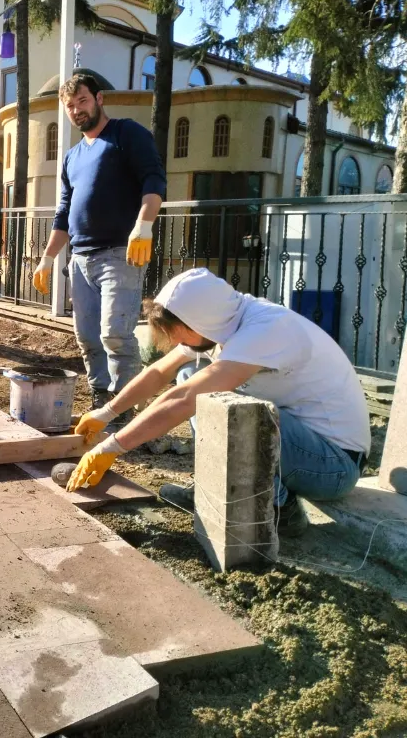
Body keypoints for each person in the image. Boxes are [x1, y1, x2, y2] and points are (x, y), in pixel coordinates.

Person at [64, 268, 370, 538]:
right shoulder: (220, 321)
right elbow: (158, 372)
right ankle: (211, 486)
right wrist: (106, 412)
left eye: (180, 334)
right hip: (301, 445)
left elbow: (184, 400)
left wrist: (112, 446)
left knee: (225, 405)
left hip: (333, 466)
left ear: (200, 323)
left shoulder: (265, 329)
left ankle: (279, 507)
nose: (176, 342)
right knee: (190, 374)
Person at [32, 73, 166, 420]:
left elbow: (154, 180)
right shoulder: (72, 157)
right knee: (89, 338)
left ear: (99, 99)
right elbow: (64, 212)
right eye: (70, 105)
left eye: (83, 101)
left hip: (120, 255)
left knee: (115, 335)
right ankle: (101, 401)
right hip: (80, 259)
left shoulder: (126, 134)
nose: (77, 110)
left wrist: (144, 225)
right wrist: (47, 259)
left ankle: (124, 411)